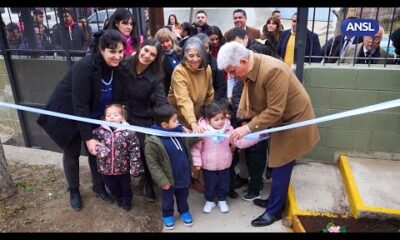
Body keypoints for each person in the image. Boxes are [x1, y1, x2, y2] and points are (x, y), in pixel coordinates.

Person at [217, 41, 320, 227]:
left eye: (232, 71)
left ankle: (274, 212)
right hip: (280, 120)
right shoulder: (252, 67)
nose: (231, 76)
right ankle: (275, 200)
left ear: (242, 61)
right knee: (276, 159)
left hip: (293, 120)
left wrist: (246, 128)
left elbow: (275, 111)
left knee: (281, 163)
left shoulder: (273, 70)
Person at [37, 29, 129, 211]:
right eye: (113, 52)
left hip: (95, 115)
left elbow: (118, 99)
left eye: (120, 52)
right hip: (71, 114)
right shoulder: (85, 66)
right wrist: (88, 138)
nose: (118, 56)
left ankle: (98, 186)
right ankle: (74, 190)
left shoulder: (118, 69)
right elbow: (79, 105)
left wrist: (119, 119)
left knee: (97, 152)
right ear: (102, 49)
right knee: (72, 152)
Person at [122, 38, 168, 202]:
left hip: (142, 116)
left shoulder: (156, 76)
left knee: (146, 149)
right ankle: (122, 184)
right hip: (121, 113)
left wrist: (169, 120)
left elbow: (162, 101)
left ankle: (148, 182)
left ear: (156, 58)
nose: (147, 55)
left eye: (153, 54)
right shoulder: (125, 64)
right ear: (140, 47)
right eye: (146, 50)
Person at [191, 102, 258, 214]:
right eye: (216, 120)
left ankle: (222, 200)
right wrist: (197, 162)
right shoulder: (202, 131)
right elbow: (196, 148)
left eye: (222, 118)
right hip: (208, 165)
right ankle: (209, 200)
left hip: (225, 164)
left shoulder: (228, 129)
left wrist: (255, 137)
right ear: (208, 120)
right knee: (209, 184)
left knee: (224, 184)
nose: (220, 122)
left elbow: (239, 142)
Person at [168, 38, 214, 193]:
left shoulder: (207, 69)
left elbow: (209, 93)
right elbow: (183, 99)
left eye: (198, 55)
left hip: (198, 114)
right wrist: (192, 122)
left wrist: (208, 116)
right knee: (183, 149)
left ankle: (195, 177)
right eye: (191, 56)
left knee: (198, 146)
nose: (195, 59)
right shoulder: (179, 71)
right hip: (180, 114)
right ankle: (183, 180)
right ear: (185, 56)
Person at [145, 105, 199, 230]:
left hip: (183, 175)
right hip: (168, 179)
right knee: (168, 200)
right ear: (164, 125)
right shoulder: (153, 140)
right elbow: (153, 164)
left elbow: (188, 143)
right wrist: (162, 181)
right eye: (174, 121)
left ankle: (184, 211)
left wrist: (198, 136)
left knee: (183, 196)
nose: (178, 123)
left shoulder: (179, 132)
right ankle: (167, 215)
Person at [92, 104, 143, 212]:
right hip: (105, 169)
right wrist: (101, 151)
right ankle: (118, 198)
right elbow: (93, 146)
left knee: (126, 188)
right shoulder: (98, 132)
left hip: (123, 169)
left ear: (122, 117)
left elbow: (135, 150)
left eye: (115, 114)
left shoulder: (129, 132)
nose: (111, 117)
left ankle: (127, 201)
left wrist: (135, 167)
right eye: (108, 115)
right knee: (112, 187)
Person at [155, 28, 183, 96]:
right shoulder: (158, 58)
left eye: (167, 41)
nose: (165, 44)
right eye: (162, 42)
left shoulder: (180, 52)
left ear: (172, 40)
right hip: (170, 92)